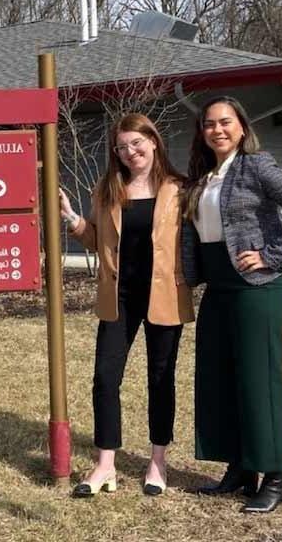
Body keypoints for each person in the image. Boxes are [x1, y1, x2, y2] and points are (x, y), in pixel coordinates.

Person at [181, 96, 282, 513]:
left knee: (260, 381)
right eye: (208, 124)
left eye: (225, 122)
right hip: (217, 289)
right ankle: (240, 469)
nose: (216, 130)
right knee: (219, 379)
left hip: (256, 287)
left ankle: (275, 475)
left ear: (241, 126)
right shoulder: (202, 176)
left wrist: (271, 254)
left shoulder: (256, 165)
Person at [58, 113, 195, 499]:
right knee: (105, 378)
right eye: (122, 147)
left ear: (153, 141)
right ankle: (105, 464)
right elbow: (98, 240)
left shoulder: (179, 189)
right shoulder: (108, 189)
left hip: (165, 294)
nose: (130, 152)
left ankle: (157, 460)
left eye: (136, 143)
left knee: (160, 378)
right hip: (118, 297)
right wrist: (71, 218)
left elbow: (194, 241)